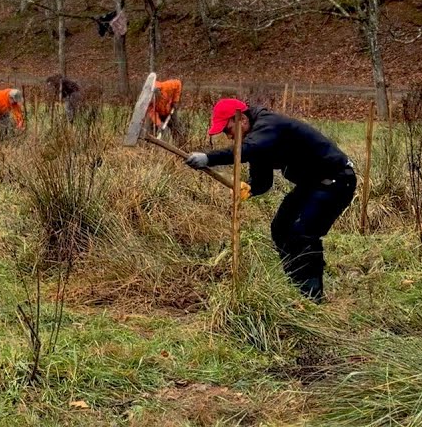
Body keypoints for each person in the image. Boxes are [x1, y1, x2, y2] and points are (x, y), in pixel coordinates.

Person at [185, 98, 356, 303]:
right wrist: (248, 189)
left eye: (228, 130)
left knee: (303, 233)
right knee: (280, 228)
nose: (229, 136)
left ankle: (311, 298)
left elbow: (247, 150)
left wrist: (208, 158)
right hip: (312, 184)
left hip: (337, 181)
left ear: (241, 119)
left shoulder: (268, 125)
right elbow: (262, 182)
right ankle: (296, 285)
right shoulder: (258, 140)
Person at [146, 78, 185, 144]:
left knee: (176, 127)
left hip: (170, 109)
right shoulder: (148, 100)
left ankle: (181, 145)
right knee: (152, 129)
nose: (155, 99)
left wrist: (175, 100)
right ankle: (150, 145)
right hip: (157, 114)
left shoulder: (167, 86)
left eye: (156, 97)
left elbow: (178, 83)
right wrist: (158, 123)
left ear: (159, 91)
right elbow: (152, 112)